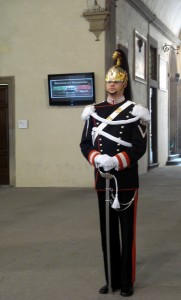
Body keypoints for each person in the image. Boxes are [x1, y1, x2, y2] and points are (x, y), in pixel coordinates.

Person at [80, 49, 150, 297]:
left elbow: (140, 147)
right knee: (107, 232)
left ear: (124, 83)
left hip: (126, 180)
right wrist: (97, 158)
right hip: (103, 180)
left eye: (117, 81)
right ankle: (111, 279)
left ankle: (127, 280)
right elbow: (85, 144)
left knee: (126, 231)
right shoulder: (94, 111)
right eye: (109, 81)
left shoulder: (135, 112)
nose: (112, 85)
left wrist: (117, 161)